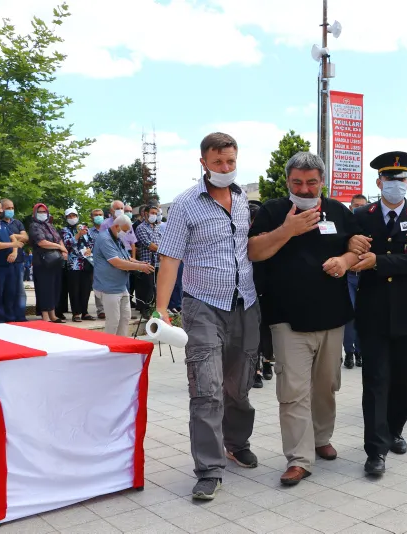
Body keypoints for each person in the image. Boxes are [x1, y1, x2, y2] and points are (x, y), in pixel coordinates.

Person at [155, 132, 260, 501]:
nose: (226, 168)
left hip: (245, 304)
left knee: (240, 386)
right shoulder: (185, 204)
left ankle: (236, 442)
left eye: (231, 161)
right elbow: (170, 259)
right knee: (206, 388)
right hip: (203, 306)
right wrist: (162, 309)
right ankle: (209, 469)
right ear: (203, 162)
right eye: (218, 163)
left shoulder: (244, 199)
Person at [248, 151, 360, 486]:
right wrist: (288, 230)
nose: (305, 188)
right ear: (288, 182)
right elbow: (255, 251)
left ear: (322, 181)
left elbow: (359, 248)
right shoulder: (273, 211)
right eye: (297, 182)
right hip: (286, 318)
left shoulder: (339, 212)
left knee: (326, 386)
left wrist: (346, 258)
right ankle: (299, 458)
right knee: (293, 390)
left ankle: (321, 438)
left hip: (332, 316)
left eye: (312, 182)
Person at [348, 151, 407, 476]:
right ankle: (376, 450)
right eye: (389, 179)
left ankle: (394, 430)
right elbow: (348, 247)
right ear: (378, 181)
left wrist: (378, 262)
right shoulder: (363, 216)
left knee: (403, 385)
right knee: (375, 382)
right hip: (373, 312)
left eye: (400, 179)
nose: (395, 184)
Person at [93, 214, 153, 335]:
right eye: (124, 230)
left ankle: (122, 346)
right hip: (108, 287)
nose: (125, 233)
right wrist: (140, 267)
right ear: (116, 226)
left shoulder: (117, 238)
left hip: (121, 286)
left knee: (125, 318)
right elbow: (117, 262)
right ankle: (109, 348)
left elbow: (126, 258)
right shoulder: (105, 239)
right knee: (113, 321)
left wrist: (140, 262)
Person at [29, 204, 69, 323]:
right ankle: (45, 315)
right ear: (35, 213)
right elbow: (41, 242)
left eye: (44, 211)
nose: (42, 214)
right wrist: (59, 247)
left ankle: (53, 314)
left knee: (54, 288)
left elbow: (59, 239)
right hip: (42, 262)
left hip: (55, 262)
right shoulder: (34, 226)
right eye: (39, 212)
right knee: (44, 288)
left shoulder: (50, 226)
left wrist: (64, 250)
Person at [343, 193, 368, 370]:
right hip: (349, 276)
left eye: (362, 205)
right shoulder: (345, 224)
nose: (359, 208)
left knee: (363, 315)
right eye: (356, 205)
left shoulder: (371, 224)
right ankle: (349, 353)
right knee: (349, 316)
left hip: (366, 275)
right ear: (351, 206)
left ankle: (360, 351)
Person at [248, 200, 269, 389]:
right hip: (248, 292)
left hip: (266, 290)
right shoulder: (241, 237)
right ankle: (256, 370)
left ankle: (267, 362)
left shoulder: (270, 235)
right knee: (252, 333)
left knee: (265, 331)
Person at [61, 208, 95, 322]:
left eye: (74, 215)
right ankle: (76, 313)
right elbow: (67, 244)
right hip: (74, 264)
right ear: (66, 218)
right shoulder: (65, 230)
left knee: (86, 288)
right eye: (69, 216)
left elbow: (91, 242)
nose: (72, 218)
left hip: (87, 262)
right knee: (74, 289)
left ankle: (84, 312)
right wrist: (78, 235)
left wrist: (90, 249)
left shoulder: (84, 228)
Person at [1, 199, 29, 321]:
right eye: (7, 208)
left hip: (18, 260)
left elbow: (26, 237)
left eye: (12, 208)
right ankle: (9, 316)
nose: (10, 210)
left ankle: (20, 316)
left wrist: (10, 234)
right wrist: (17, 237)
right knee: (7, 290)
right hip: (4, 260)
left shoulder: (17, 223)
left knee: (19, 290)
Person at [134, 204, 162, 318]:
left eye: (156, 213)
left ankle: (153, 309)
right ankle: (144, 310)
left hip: (157, 262)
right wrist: (163, 250)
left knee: (155, 286)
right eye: (152, 213)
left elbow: (161, 241)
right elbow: (148, 244)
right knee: (147, 286)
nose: (154, 216)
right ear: (145, 214)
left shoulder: (156, 228)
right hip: (146, 262)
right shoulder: (141, 228)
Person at [88, 208, 107, 319]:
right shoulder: (89, 232)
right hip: (95, 263)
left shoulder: (108, 230)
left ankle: (110, 308)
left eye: (100, 214)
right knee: (98, 286)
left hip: (110, 261)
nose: (98, 216)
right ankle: (101, 310)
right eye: (96, 215)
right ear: (92, 217)